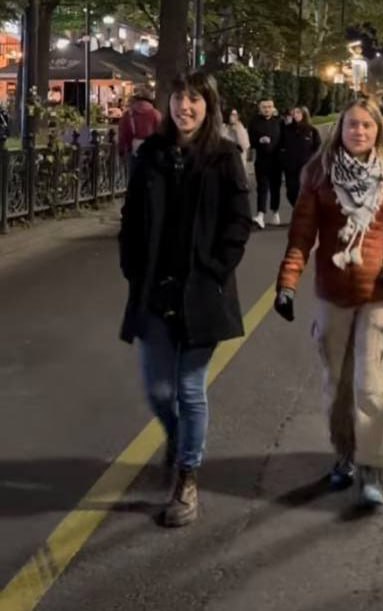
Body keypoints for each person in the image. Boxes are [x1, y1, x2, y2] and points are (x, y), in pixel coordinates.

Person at [274, 99, 383, 508]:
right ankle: (343, 455)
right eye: (352, 126)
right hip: (332, 295)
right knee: (337, 386)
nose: (359, 132)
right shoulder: (318, 176)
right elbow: (302, 236)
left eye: (367, 126)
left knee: (372, 387)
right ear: (339, 130)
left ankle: (370, 466)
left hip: (379, 296)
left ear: (378, 131)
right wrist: (287, 284)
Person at [118, 72, 251, 527]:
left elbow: (238, 221)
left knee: (190, 389)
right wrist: (133, 267)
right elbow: (131, 216)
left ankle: (187, 478)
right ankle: (179, 441)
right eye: (179, 99)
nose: (185, 108)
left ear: (209, 105)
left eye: (195, 100)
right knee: (158, 390)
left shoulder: (224, 157)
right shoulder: (151, 155)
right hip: (155, 289)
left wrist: (216, 268)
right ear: (169, 104)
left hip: (203, 291)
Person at [248, 98, 283, 228]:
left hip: (277, 161)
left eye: (269, 106)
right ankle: (260, 214)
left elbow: (284, 140)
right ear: (259, 108)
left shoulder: (279, 122)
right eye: (264, 107)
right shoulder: (254, 122)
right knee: (262, 188)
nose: (267, 109)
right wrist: (259, 140)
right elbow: (250, 140)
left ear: (273, 107)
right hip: (261, 160)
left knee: (275, 187)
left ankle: (275, 212)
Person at [281, 106, 322, 207]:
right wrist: (283, 159)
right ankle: (297, 208)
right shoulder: (286, 130)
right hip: (290, 168)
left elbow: (318, 148)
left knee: (305, 191)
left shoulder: (312, 131)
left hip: (306, 167)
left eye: (298, 112)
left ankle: (304, 214)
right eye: (293, 113)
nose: (295, 115)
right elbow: (281, 146)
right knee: (291, 192)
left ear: (304, 114)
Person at [118, 85, 162, 178]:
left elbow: (122, 134)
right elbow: (161, 134)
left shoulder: (128, 114)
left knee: (134, 179)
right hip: (152, 152)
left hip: (133, 151)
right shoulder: (156, 114)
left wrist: (122, 151)